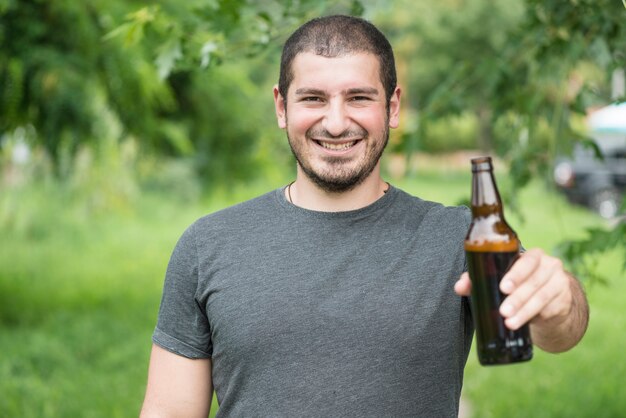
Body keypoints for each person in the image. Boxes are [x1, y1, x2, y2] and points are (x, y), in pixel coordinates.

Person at [140, 15, 589, 417]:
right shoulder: (208, 243)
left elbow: (561, 331)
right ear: (282, 107)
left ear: (392, 107)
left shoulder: (457, 237)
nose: (336, 123)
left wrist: (558, 301)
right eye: (313, 98)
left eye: (358, 97)